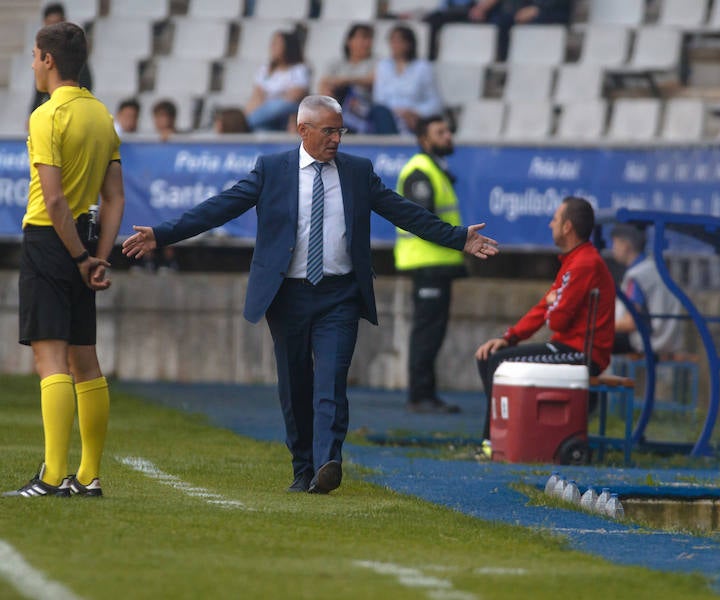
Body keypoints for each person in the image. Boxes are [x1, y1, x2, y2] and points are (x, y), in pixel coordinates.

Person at [122, 95, 499, 495]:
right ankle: (303, 467)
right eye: (329, 131)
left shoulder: (357, 172)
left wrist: (458, 238)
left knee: (332, 380)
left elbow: (404, 212)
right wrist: (162, 234)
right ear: (303, 130)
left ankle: (327, 462)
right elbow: (220, 208)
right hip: (287, 295)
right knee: (295, 385)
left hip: (340, 295)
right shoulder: (272, 170)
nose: (337, 139)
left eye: (340, 130)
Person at [4, 22, 125, 499]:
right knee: (85, 360)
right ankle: (89, 476)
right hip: (87, 241)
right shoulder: (101, 115)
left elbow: (53, 202)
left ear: (49, 61)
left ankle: (53, 476)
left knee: (49, 357)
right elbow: (114, 198)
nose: (33, 64)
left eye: (35, 56)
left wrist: (77, 257)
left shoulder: (45, 115)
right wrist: (98, 256)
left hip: (51, 242)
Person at [474, 197, 615, 458]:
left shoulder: (585, 263)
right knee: (492, 358)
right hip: (564, 346)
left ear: (567, 227)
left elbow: (556, 320)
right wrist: (510, 337)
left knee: (497, 364)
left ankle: (493, 442)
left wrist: (554, 303)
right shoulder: (574, 261)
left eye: (555, 219)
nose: (550, 224)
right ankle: (503, 435)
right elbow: (545, 308)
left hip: (580, 354)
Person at [394, 116, 466, 414]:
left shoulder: (434, 168)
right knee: (426, 332)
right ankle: (420, 396)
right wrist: (461, 239)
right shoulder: (420, 172)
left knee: (432, 331)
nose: (448, 136)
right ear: (424, 139)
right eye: (440, 132)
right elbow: (424, 221)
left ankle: (426, 394)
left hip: (437, 262)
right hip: (427, 263)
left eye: (449, 130)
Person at [608, 224, 682, 357]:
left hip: (647, 340)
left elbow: (631, 322)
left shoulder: (637, 275)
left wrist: (598, 325)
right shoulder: (653, 268)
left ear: (625, 245)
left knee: (590, 340)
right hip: (666, 338)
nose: (613, 249)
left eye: (615, 244)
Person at [371, 25, 443, 135]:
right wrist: (398, 112)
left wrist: (415, 112)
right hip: (389, 116)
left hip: (414, 119)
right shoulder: (383, 66)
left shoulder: (423, 67)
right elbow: (379, 98)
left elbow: (435, 102)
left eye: (400, 41)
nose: (395, 45)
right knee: (379, 112)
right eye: (393, 41)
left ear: (409, 44)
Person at [31, 3, 92, 112]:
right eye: (50, 24)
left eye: (57, 24)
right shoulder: (102, 113)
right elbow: (38, 91)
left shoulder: (73, 53)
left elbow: (87, 83)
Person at [317, 24, 376, 134]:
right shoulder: (336, 63)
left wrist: (346, 81)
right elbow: (324, 82)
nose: (366, 43)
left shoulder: (375, 62)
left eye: (369, 39)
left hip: (365, 106)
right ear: (349, 41)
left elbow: (372, 80)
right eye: (362, 38)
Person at [245, 31, 309, 132]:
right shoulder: (264, 70)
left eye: (276, 44)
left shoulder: (298, 69)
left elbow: (294, 96)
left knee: (277, 106)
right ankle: (249, 123)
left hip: (286, 113)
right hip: (266, 115)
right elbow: (257, 96)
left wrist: (269, 103)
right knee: (260, 130)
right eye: (272, 44)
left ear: (287, 47)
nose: (272, 47)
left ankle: (245, 123)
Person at [467, 0, 572, 61]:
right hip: (532, 9)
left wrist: (538, 9)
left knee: (526, 23)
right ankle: (503, 64)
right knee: (503, 19)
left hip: (555, 11)